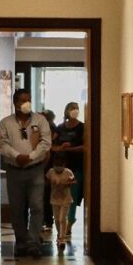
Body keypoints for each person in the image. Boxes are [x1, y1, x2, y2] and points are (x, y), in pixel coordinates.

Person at [0, 89, 52, 256]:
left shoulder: (40, 120)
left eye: (29, 100)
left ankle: (33, 242)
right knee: (17, 208)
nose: (26, 103)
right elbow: (0, 143)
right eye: (22, 100)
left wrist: (31, 156)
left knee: (37, 206)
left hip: (35, 169)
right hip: (14, 171)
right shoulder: (6, 123)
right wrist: (16, 156)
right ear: (15, 103)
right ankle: (21, 241)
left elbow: (46, 142)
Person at [53, 102, 86, 234]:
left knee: (72, 196)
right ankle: (60, 221)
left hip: (76, 167)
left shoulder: (82, 127)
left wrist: (71, 149)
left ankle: (69, 222)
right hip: (60, 167)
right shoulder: (60, 128)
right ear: (67, 111)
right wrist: (60, 148)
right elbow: (51, 144)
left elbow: (86, 145)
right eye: (72, 108)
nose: (75, 110)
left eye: (76, 108)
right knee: (60, 197)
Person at [45, 153, 76, 252]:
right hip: (54, 199)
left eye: (60, 165)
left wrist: (68, 183)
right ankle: (59, 234)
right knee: (57, 219)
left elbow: (73, 180)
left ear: (64, 164)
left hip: (66, 199)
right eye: (56, 165)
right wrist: (52, 183)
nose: (58, 167)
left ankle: (62, 238)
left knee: (63, 218)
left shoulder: (68, 172)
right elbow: (46, 181)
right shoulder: (51, 172)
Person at [40, 109, 58, 238]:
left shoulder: (52, 129)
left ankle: (48, 221)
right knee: (42, 196)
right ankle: (44, 221)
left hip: (49, 166)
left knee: (46, 196)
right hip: (41, 166)